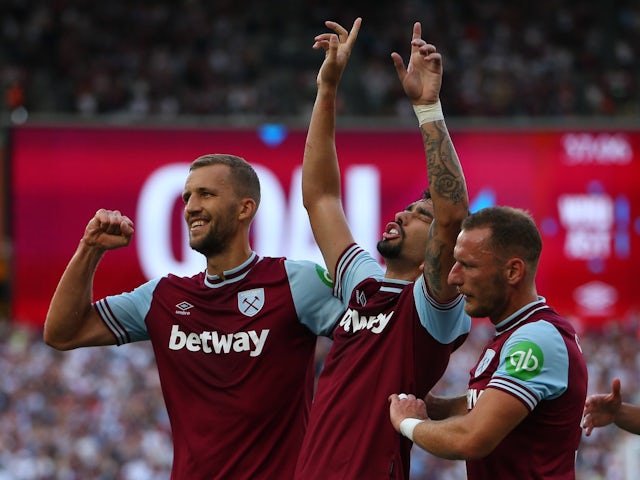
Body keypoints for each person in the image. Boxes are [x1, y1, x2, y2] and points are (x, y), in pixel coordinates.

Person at [43, 154, 346, 479]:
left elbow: (373, 338)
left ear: (245, 208)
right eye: (188, 197)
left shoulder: (295, 282)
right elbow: (63, 333)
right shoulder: (162, 298)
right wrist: (90, 248)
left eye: (206, 194)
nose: (191, 207)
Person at [294, 18, 471, 479]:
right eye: (409, 208)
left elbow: (452, 215)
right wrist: (327, 87)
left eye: (421, 216)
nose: (403, 214)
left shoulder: (432, 308)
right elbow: (321, 199)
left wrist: (428, 108)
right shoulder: (363, 286)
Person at [389, 206, 589, 479]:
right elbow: (490, 404)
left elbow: (472, 439)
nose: (453, 277)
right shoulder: (512, 333)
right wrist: (435, 406)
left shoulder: (536, 339)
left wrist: (408, 422)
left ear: (513, 271)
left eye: (468, 265)